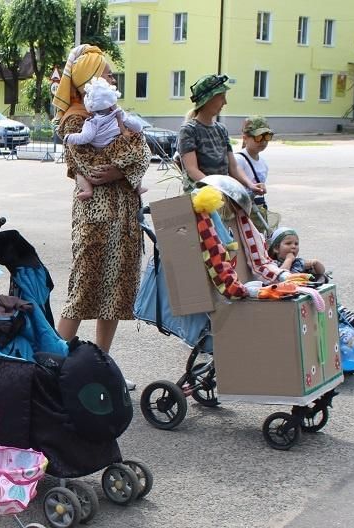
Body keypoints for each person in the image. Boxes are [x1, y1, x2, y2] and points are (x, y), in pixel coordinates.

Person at [52, 44, 153, 369]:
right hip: (96, 217)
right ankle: (51, 368)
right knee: (84, 290)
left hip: (123, 216)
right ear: (92, 77)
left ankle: (100, 369)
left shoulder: (114, 114)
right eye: (107, 72)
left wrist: (122, 165)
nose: (113, 77)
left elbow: (144, 153)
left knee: (114, 296)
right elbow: (95, 167)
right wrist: (125, 160)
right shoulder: (75, 119)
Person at [268, 227, 354, 343]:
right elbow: (281, 276)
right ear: (276, 248)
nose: (293, 246)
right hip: (296, 299)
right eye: (288, 243)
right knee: (324, 320)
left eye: (296, 243)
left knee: (338, 309)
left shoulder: (299, 262)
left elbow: (320, 272)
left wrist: (315, 263)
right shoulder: (273, 264)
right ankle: (347, 337)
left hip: (313, 295)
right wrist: (288, 259)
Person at [176, 74, 264, 196]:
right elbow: (192, 170)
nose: (225, 102)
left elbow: (233, 167)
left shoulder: (221, 129)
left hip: (221, 196)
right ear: (208, 99)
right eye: (222, 97)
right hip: (201, 199)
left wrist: (250, 184)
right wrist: (217, 188)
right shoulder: (189, 130)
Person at [63, 75, 145, 201]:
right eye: (109, 75)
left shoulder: (92, 121)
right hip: (119, 152)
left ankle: (87, 189)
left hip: (106, 154)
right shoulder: (75, 119)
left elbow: (85, 137)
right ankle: (138, 187)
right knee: (78, 169)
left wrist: (69, 138)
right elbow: (138, 128)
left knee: (79, 172)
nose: (113, 80)